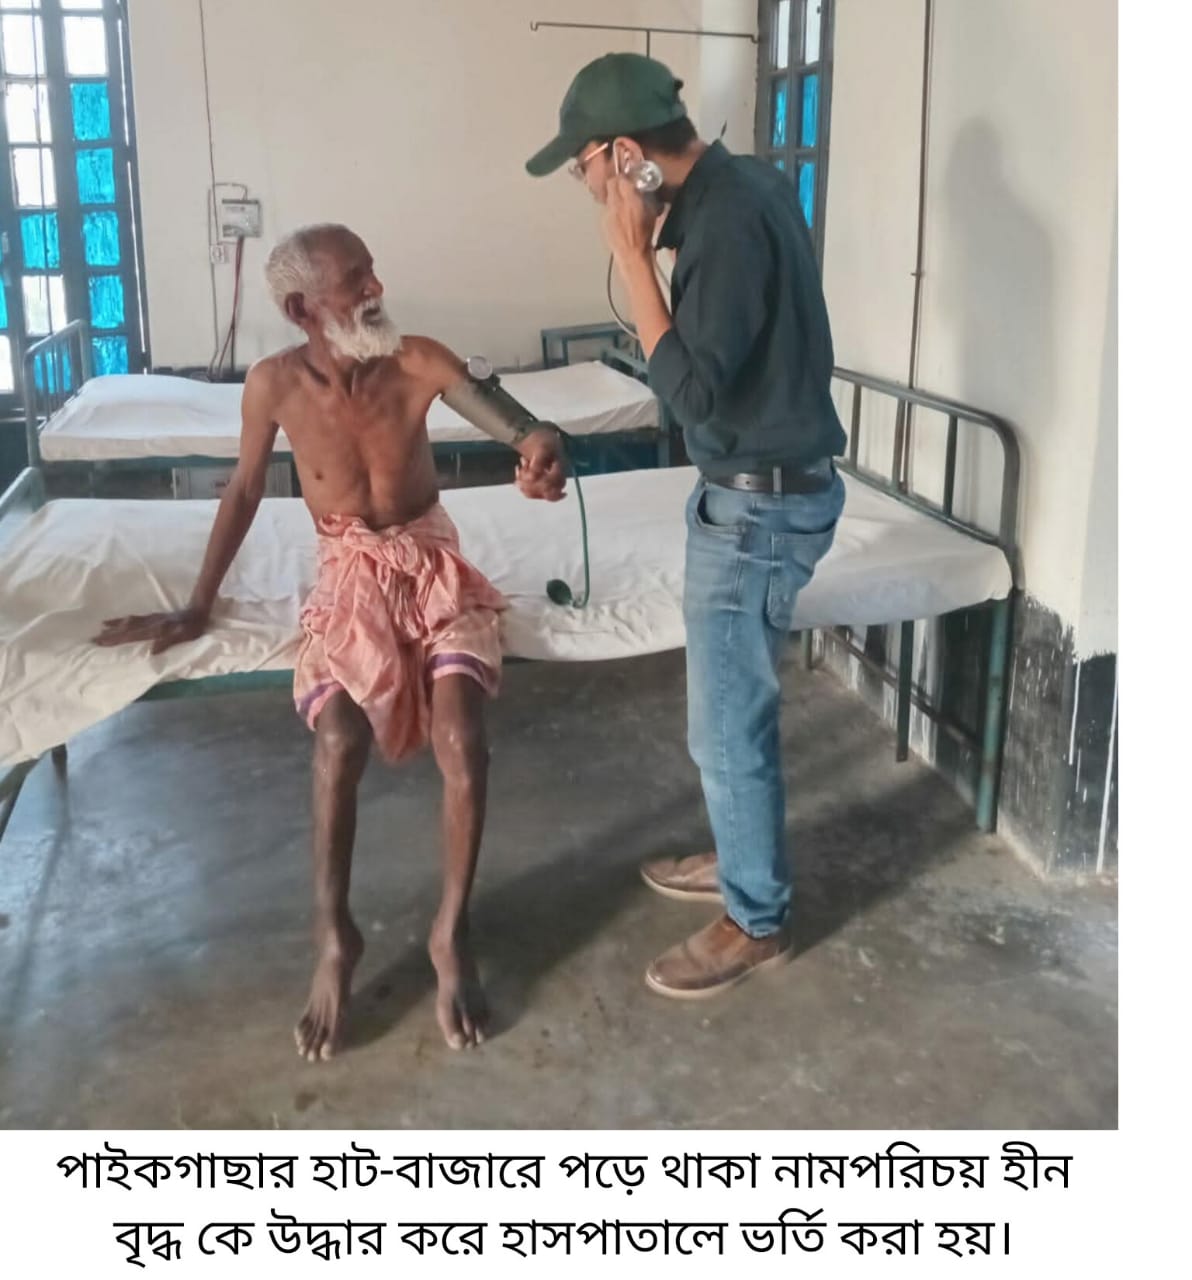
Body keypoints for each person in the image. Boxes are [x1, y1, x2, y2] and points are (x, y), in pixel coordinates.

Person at [95, 224, 566, 1059]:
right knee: (339, 739)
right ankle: (334, 937)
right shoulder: (274, 384)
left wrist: (539, 453)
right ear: (301, 308)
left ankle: (451, 933)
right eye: (356, 278)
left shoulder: (417, 359)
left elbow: (519, 426)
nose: (376, 286)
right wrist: (199, 604)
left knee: (462, 734)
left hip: (430, 563)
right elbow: (244, 491)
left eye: (372, 269)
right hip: (349, 572)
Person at [527, 54, 849, 999]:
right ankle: (742, 856)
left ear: (626, 154)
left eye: (585, 167)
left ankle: (757, 919)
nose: (587, 188)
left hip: (757, 509)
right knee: (730, 718)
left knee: (725, 729)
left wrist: (634, 260)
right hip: (759, 493)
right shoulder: (746, 189)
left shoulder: (724, 221)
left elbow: (695, 401)